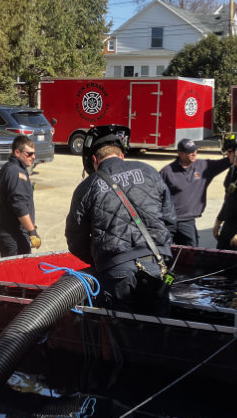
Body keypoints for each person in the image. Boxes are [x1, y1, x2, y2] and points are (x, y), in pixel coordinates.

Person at [65, 124, 177, 311]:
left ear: (94, 160)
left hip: (115, 273)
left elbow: (75, 240)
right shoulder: (150, 172)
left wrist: (100, 260)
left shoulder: (87, 187)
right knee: (156, 332)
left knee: (121, 334)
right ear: (122, 155)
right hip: (156, 268)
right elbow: (171, 222)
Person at [159, 138, 230, 246]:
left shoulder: (204, 167)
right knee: (164, 252)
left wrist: (234, 149)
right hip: (167, 221)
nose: (194, 153)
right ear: (180, 153)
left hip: (187, 221)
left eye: (195, 150)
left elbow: (227, 162)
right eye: (190, 151)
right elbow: (155, 195)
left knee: (191, 253)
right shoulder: (167, 171)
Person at [0, 135, 41, 257]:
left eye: (34, 154)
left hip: (4, 233)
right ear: (17, 152)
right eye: (29, 154)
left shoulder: (7, 168)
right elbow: (19, 206)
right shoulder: (17, 174)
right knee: (18, 273)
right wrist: (32, 232)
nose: (33, 157)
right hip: (14, 237)